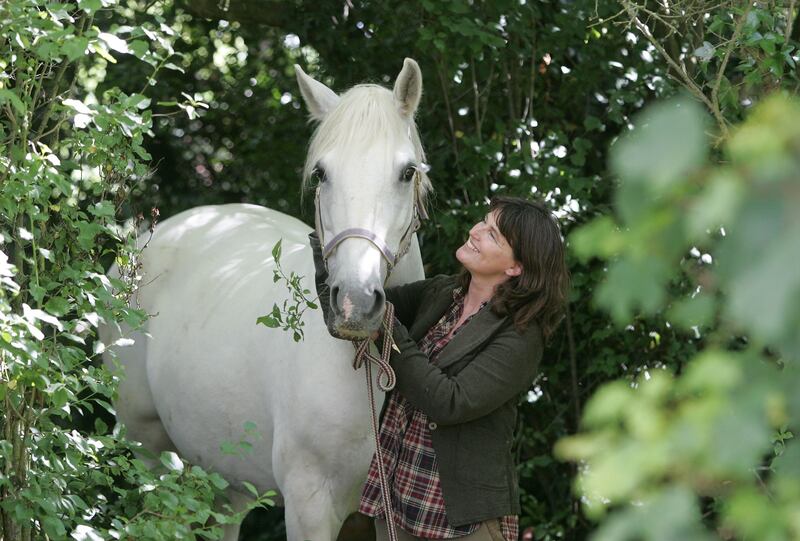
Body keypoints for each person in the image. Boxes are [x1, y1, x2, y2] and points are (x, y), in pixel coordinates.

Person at [310, 196, 569, 541]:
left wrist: (388, 330)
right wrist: (332, 249)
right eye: (483, 221)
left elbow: (450, 402)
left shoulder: (521, 334)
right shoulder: (443, 292)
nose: (476, 232)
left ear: (515, 267)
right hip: (399, 497)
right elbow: (354, 313)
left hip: (460, 520)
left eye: (493, 235)